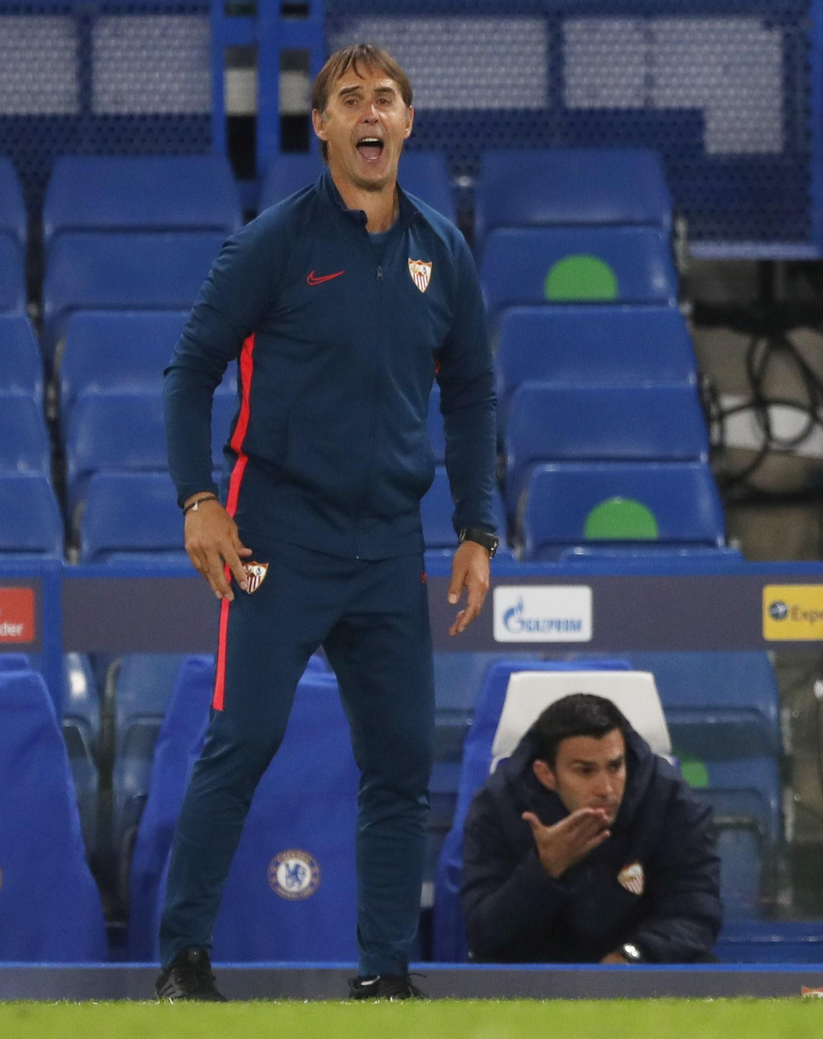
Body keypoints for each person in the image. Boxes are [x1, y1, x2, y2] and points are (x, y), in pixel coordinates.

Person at [157, 43, 499, 1002]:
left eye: (385, 98)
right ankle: (184, 957)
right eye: (349, 100)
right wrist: (199, 501)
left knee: (398, 765)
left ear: (408, 122)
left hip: (392, 546)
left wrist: (477, 527)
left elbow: (471, 393)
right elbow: (189, 372)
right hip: (278, 537)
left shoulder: (443, 249)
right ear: (323, 128)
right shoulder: (274, 242)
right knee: (242, 741)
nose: (370, 113)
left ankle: (386, 974)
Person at [459, 694, 722, 964]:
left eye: (615, 766)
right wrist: (542, 871)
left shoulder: (671, 800)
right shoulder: (498, 807)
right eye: (585, 771)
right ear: (546, 774)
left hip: (642, 971)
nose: (606, 790)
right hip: (537, 978)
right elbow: (484, 935)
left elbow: (696, 912)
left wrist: (633, 955)